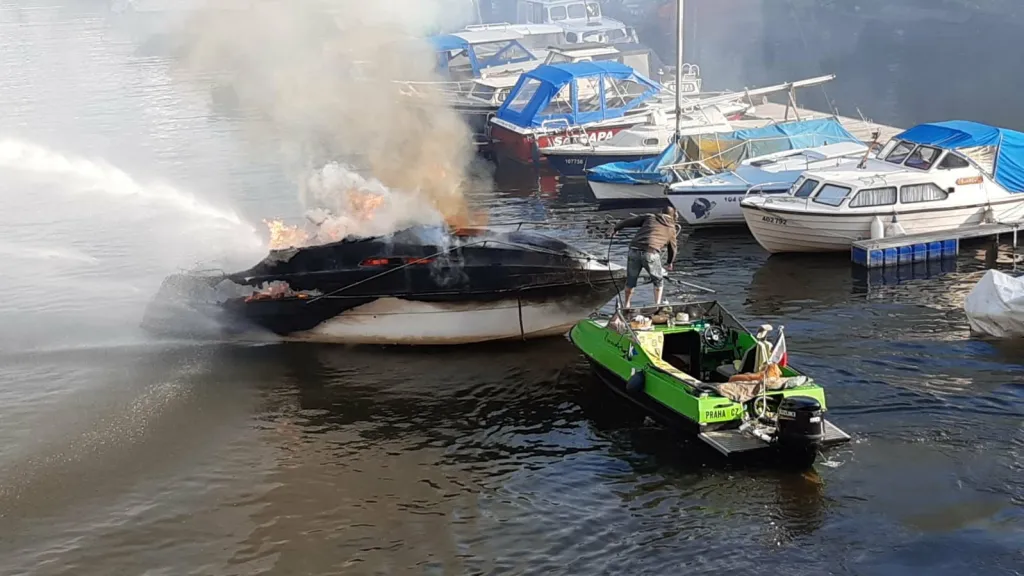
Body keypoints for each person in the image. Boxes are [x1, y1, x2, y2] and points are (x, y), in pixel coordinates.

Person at [610, 206, 678, 308]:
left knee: (631, 281)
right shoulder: (672, 228)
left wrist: (616, 228)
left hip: (634, 250)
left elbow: (630, 221)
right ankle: (657, 305)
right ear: (673, 216)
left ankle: (627, 305)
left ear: (661, 212)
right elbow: (672, 248)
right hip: (650, 253)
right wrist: (669, 262)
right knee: (658, 280)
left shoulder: (650, 217)